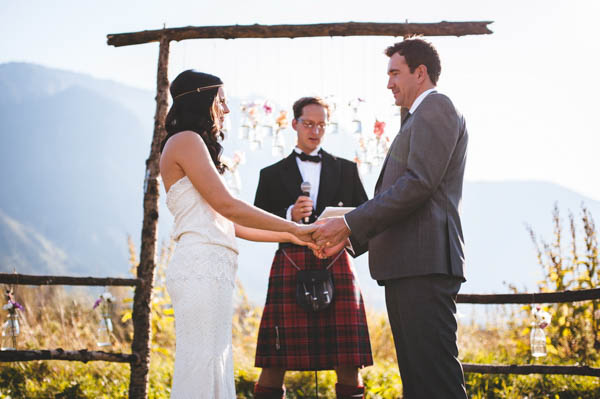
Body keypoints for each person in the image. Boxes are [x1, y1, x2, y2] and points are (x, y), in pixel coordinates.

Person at [313, 38, 469, 398]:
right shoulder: (418, 117)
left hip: (424, 264)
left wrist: (349, 225)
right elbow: (402, 194)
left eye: (395, 73)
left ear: (420, 72)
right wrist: (346, 234)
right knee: (419, 380)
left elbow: (418, 185)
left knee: (435, 377)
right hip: (408, 264)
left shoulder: (436, 107)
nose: (389, 83)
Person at [159, 70, 316, 399]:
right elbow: (227, 205)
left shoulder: (195, 144)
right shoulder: (185, 141)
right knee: (200, 363)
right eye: (222, 101)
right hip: (199, 266)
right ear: (202, 100)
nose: (226, 110)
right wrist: (293, 225)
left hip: (214, 268)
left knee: (215, 361)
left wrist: (293, 237)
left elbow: (233, 224)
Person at [252, 97, 373, 399]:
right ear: (294, 124)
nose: (315, 130)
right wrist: (287, 216)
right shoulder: (270, 174)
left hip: (337, 261)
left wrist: (342, 239)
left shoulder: (346, 170)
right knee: (274, 359)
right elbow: (254, 223)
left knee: (348, 359)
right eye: (308, 123)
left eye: (321, 125)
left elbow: (369, 219)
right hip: (290, 263)